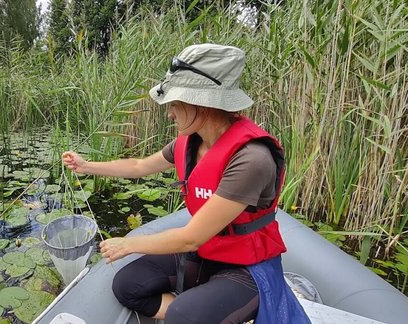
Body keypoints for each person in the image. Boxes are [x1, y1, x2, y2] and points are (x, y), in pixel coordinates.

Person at [62, 44, 310, 324]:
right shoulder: (190, 141)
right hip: (208, 252)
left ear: (201, 104)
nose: (169, 113)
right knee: (127, 285)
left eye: (174, 104)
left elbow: (191, 237)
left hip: (247, 266)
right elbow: (139, 166)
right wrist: (86, 166)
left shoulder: (252, 159)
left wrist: (128, 245)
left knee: (184, 315)